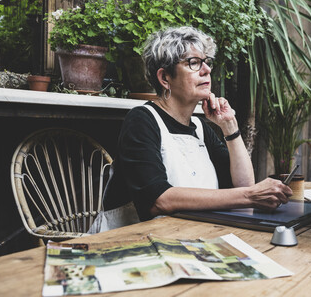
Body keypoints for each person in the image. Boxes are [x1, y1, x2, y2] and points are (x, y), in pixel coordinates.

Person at [88, 26, 292, 233]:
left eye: (206, 62)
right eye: (193, 63)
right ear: (164, 78)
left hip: (188, 240)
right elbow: (159, 200)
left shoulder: (200, 129)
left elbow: (243, 186)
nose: (207, 70)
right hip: (129, 246)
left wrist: (230, 127)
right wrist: (250, 196)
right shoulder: (142, 121)